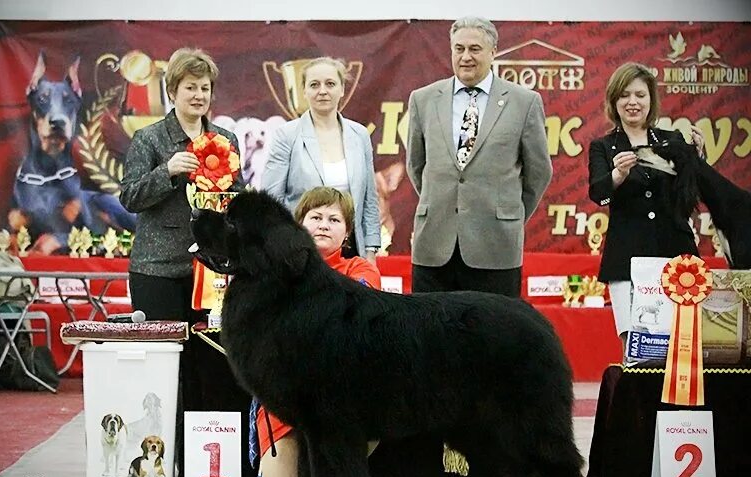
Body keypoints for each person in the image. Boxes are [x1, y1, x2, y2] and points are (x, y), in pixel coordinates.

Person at [119, 47, 243, 477]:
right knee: (164, 374)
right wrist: (169, 171)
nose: (198, 94)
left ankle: (212, 466)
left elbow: (236, 202)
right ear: (172, 91)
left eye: (205, 87)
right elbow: (129, 195)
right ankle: (165, 466)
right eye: (190, 87)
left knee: (212, 367)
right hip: (157, 272)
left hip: (211, 274)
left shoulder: (226, 140)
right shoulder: (149, 140)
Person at [250, 186, 381, 477]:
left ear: (347, 232)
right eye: (316, 217)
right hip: (287, 407)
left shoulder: (361, 271)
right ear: (299, 225)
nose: (324, 224)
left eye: (334, 219)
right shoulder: (273, 273)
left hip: (344, 405)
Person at [406, 17, 552, 298]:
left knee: (494, 339)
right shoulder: (422, 100)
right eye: (458, 49)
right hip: (434, 249)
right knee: (430, 338)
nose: (466, 57)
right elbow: (416, 165)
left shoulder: (524, 102)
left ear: (493, 51)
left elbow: (539, 172)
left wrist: (508, 214)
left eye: (475, 49)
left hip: (496, 248)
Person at [588, 62, 704, 352]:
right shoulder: (603, 146)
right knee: (635, 352)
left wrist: (698, 163)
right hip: (627, 258)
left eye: (640, 95)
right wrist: (617, 176)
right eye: (624, 95)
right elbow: (598, 194)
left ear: (651, 100)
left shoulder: (672, 140)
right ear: (614, 101)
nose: (633, 102)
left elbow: (690, 193)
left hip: (676, 255)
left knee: (682, 347)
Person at [262, 57, 380, 264]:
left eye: (330, 84)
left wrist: (370, 250)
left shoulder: (360, 135)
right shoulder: (286, 136)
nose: (322, 91)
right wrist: (283, 246)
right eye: (314, 85)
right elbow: (271, 201)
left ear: (342, 89)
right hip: (299, 251)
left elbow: (369, 199)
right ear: (304, 91)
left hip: (350, 252)